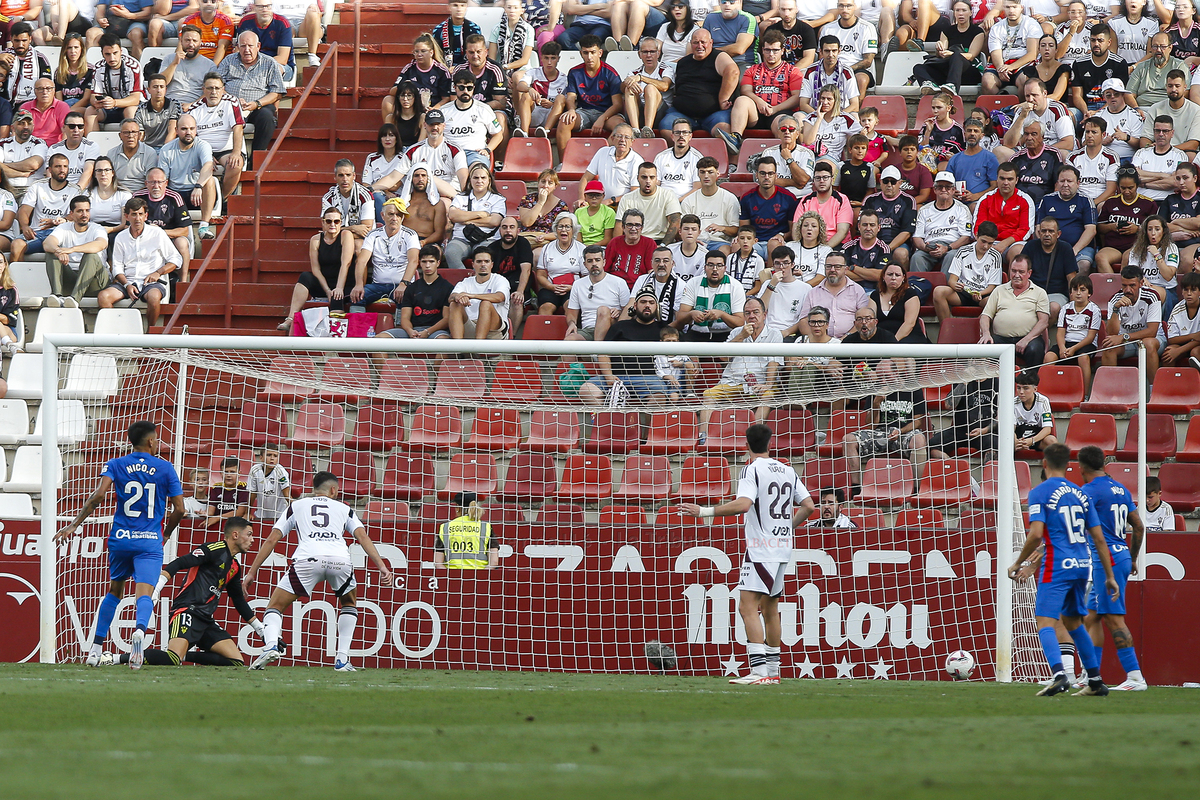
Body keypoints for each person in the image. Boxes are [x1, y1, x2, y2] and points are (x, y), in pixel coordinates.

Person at [681, 422, 816, 685]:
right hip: (781, 547)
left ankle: (759, 672)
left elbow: (744, 504)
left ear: (746, 445)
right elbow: (809, 506)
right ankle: (774, 673)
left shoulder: (750, 469)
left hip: (761, 548)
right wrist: (786, 528)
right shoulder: (788, 470)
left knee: (746, 607)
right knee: (770, 607)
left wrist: (704, 512)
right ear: (770, 443)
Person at [53, 420, 185, 669]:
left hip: (121, 540)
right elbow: (180, 509)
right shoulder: (166, 468)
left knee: (115, 590)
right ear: (151, 441)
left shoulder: (115, 464)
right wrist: (165, 533)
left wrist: (74, 525)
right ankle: (139, 633)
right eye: (156, 439)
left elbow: (99, 495)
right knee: (144, 593)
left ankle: (95, 650)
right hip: (149, 541)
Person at [245, 471, 395, 672]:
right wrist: (382, 566)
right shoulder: (344, 509)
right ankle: (342, 659)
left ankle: (271, 644)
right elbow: (363, 537)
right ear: (333, 490)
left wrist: (252, 572)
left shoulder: (296, 506)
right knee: (349, 604)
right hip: (339, 560)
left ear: (313, 489)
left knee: (275, 606)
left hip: (308, 560)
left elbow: (272, 539)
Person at [1008, 442, 1117, 697]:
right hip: (1082, 565)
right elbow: (1099, 539)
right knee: (1074, 622)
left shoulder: (1040, 492)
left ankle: (1059, 675)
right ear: (1069, 466)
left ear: (1044, 464)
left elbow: (1036, 535)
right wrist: (1109, 576)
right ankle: (1096, 681)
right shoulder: (1082, 494)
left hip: (1057, 565)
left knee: (1045, 621)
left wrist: (1018, 563)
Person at [1074, 445, 1148, 692]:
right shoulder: (1121, 488)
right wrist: (1133, 557)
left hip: (1108, 561)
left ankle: (1135, 676)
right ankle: (1089, 674)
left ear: (1081, 467)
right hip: (1122, 556)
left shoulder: (1088, 492)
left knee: (1114, 619)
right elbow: (1138, 526)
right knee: (1091, 617)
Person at [696, 296, 782, 442]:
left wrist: (768, 384)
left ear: (764, 315)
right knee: (708, 394)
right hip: (731, 382)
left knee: (767, 395)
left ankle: (754, 440)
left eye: (756, 312)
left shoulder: (774, 334)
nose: (752, 316)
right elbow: (723, 357)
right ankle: (703, 438)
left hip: (759, 384)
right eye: (747, 313)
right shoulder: (737, 332)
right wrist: (742, 336)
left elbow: (774, 363)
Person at [718, 28, 803, 155]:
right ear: (762, 50)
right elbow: (746, 90)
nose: (771, 54)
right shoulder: (752, 70)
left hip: (779, 112)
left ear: (782, 51)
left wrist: (775, 109)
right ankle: (735, 138)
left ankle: (783, 155)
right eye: (767, 50)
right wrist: (759, 102)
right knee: (741, 100)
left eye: (775, 50)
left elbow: (797, 98)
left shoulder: (792, 71)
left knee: (784, 123)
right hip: (756, 112)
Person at [278, 206, 355, 332]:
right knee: (305, 276)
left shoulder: (346, 235)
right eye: (329, 221)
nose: (333, 225)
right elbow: (316, 269)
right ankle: (290, 318)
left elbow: (345, 264)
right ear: (323, 222)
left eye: (336, 221)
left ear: (341, 223)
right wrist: (327, 290)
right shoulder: (315, 240)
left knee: (337, 298)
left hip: (343, 282)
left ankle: (334, 344)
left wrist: (338, 288)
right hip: (325, 283)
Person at [550, 35, 625, 156]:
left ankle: (608, 160)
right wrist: (571, 110)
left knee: (620, 126)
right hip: (583, 111)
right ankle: (564, 163)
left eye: (592, 52)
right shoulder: (574, 72)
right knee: (565, 121)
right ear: (581, 53)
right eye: (585, 53)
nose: (589, 57)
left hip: (606, 113)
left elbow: (617, 104)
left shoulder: (610, 73)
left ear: (600, 53)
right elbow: (571, 97)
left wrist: (602, 118)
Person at [658, 27, 739, 137]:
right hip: (681, 114)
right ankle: (679, 154)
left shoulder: (718, 56)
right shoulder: (683, 62)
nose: (699, 46)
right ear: (691, 44)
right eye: (696, 42)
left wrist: (723, 99)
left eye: (703, 42)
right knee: (667, 127)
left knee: (724, 130)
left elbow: (733, 72)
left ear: (711, 42)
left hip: (714, 114)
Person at [844, 380, 929, 484]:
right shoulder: (875, 389)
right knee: (848, 440)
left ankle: (917, 489)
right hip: (880, 433)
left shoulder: (913, 389)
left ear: (896, 374)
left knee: (919, 439)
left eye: (886, 376)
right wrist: (876, 403)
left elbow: (918, 421)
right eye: (881, 376)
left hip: (904, 433)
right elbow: (871, 425)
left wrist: (900, 431)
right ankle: (854, 488)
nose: (883, 380)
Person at [217, 30, 286, 151]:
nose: (247, 50)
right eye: (243, 46)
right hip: (229, 105)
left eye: (250, 46)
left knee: (266, 117)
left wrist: (256, 104)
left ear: (258, 46)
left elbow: (277, 92)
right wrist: (232, 99)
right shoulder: (228, 60)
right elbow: (216, 85)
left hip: (258, 107)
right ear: (237, 47)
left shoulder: (269, 63)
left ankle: (256, 156)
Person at [979, 255, 1050, 369]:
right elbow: (985, 315)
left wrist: (1026, 339)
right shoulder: (999, 290)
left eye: (1021, 272)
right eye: (1013, 271)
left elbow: (1044, 321)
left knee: (1035, 349)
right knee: (986, 345)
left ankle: (1030, 384)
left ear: (1029, 273)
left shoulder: (1039, 292)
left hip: (1029, 338)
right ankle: (992, 385)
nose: (1017, 275)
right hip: (1001, 338)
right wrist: (986, 333)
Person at [350, 197, 419, 308]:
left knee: (407, 297)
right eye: (391, 214)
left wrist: (404, 283)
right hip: (378, 285)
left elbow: (414, 261)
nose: (395, 218)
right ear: (382, 215)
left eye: (399, 215)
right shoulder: (373, 234)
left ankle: (401, 324)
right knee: (357, 297)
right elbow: (361, 261)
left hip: (401, 284)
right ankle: (359, 325)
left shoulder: (410, 234)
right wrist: (358, 285)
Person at [156, 114, 217, 238]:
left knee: (209, 180)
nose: (188, 132)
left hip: (196, 193)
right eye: (184, 129)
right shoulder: (166, 149)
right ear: (176, 131)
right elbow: (163, 178)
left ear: (196, 130)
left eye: (192, 128)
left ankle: (204, 226)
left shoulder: (202, 145)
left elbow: (208, 166)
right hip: (175, 193)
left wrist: (198, 186)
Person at [376, 244, 453, 341]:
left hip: (436, 331)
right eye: (424, 262)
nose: (427, 265)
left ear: (438, 263)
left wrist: (427, 332)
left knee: (444, 342)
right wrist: (410, 331)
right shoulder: (411, 288)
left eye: (431, 261)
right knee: (379, 339)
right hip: (412, 330)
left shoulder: (447, 287)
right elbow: (405, 318)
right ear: (420, 263)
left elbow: (446, 319)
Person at [43, 193, 108, 307]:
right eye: (80, 211)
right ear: (71, 214)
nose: (84, 214)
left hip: (94, 281)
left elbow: (100, 244)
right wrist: (58, 251)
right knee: (51, 254)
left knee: (91, 255)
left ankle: (74, 299)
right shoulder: (63, 228)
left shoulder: (97, 228)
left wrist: (72, 250)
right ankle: (57, 296)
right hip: (72, 278)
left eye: (87, 211)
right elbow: (47, 243)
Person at [187, 72, 245, 200]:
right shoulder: (194, 109)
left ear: (222, 89)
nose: (214, 92)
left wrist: (236, 152)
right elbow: (191, 136)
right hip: (202, 149)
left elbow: (238, 127)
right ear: (203, 90)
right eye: (210, 88)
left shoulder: (231, 102)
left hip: (226, 150)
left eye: (217, 88)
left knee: (235, 164)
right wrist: (206, 154)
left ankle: (222, 198)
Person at [911, 0, 985, 94]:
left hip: (968, 71)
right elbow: (942, 54)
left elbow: (971, 56)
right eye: (957, 10)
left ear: (970, 12)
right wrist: (939, 50)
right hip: (949, 69)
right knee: (918, 67)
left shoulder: (977, 31)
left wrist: (952, 54)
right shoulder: (947, 31)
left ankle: (952, 85)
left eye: (964, 10)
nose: (960, 13)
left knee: (957, 56)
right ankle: (929, 84)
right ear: (953, 13)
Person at [12, 152, 75, 261]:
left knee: (55, 245)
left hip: (60, 234)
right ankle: (19, 278)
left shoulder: (75, 190)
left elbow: (75, 215)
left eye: (65, 166)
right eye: (58, 166)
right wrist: (25, 226)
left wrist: (58, 221)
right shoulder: (37, 186)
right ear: (49, 170)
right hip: (37, 233)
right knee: (16, 244)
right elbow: (24, 210)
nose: (62, 170)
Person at [933, 222, 1003, 321]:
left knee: (996, 301)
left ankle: (977, 329)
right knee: (938, 291)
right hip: (963, 292)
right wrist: (955, 285)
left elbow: (992, 286)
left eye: (990, 243)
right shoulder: (963, 251)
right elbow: (952, 280)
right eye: (983, 241)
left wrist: (980, 293)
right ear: (976, 236)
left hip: (983, 294)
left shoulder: (995, 256)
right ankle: (947, 329)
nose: (986, 246)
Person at [133, 167, 193, 280]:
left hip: (169, 238)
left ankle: (183, 283)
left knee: (182, 242)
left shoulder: (175, 197)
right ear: (146, 183)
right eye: (152, 182)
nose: (156, 186)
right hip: (143, 237)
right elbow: (128, 224)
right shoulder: (137, 197)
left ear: (166, 183)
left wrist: (159, 232)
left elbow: (185, 230)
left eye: (160, 182)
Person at [1044, 273, 1101, 391]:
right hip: (1067, 343)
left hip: (1085, 344)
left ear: (1089, 293)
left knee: (1083, 357)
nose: (1078, 293)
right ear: (1070, 293)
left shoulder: (1094, 310)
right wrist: (1062, 348)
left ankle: (1084, 394)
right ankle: (1047, 391)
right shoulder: (1065, 308)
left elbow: (1090, 337)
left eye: (1082, 290)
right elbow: (1060, 332)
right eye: (1075, 289)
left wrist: (1074, 349)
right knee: (1049, 357)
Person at [1096, 167, 1157, 273]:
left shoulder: (1148, 204)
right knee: (1100, 257)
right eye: (1123, 188)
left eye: (1131, 187)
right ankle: (1114, 288)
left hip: (1136, 246)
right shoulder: (1111, 202)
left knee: (1127, 257)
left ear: (1137, 185)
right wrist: (1112, 226)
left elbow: (1156, 229)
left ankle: (1124, 287)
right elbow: (1100, 228)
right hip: (1113, 246)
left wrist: (1137, 229)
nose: (1127, 191)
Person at [973, 161, 1035, 264]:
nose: (1006, 183)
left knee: (1018, 253)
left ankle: (1013, 280)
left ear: (1016, 180)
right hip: (989, 241)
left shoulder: (1025, 200)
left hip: (1013, 243)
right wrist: (987, 243)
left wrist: (1005, 243)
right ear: (997, 179)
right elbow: (978, 226)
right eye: (1002, 178)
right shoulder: (986, 199)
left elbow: (1026, 229)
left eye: (1010, 179)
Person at [910, 170, 973, 272]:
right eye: (940, 187)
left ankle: (946, 288)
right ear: (934, 190)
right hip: (929, 245)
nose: (944, 190)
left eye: (947, 187)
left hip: (952, 246)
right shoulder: (924, 210)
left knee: (952, 256)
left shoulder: (962, 209)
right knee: (917, 257)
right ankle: (916, 287)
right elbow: (917, 237)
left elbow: (966, 238)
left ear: (953, 190)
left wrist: (947, 248)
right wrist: (925, 248)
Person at [565, 242, 630, 340]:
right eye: (590, 261)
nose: (594, 264)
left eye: (597, 260)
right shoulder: (578, 284)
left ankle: (598, 353)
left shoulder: (619, 282)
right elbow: (572, 313)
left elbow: (629, 311)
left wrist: (619, 312)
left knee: (603, 310)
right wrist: (572, 324)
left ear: (603, 262)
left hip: (611, 329)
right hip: (588, 329)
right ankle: (596, 351)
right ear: (585, 264)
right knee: (569, 341)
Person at [677, 250, 746, 341]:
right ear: (705, 267)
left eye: (719, 265)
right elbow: (680, 316)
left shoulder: (736, 286)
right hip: (697, 332)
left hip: (726, 333)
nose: (714, 269)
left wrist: (722, 314)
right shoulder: (693, 283)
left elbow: (740, 322)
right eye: (710, 265)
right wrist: (691, 314)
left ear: (725, 268)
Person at [82, 34, 143, 134]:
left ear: (121, 51)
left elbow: (135, 99)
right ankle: (93, 147)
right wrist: (96, 102)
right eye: (107, 54)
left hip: (129, 106)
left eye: (115, 53)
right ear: (102, 54)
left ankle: (134, 147)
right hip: (108, 107)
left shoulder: (133, 66)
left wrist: (114, 103)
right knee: (90, 111)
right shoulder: (98, 67)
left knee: (130, 112)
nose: (112, 58)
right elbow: (94, 96)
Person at [442, 69, 502, 169]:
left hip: (475, 154)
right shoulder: (444, 111)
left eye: (469, 88)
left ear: (474, 88)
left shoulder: (484, 109)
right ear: (455, 88)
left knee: (477, 171)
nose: (465, 91)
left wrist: (487, 149)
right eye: (461, 87)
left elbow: (498, 135)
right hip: (449, 154)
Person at [739, 157, 799, 258]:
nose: (766, 177)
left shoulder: (788, 198)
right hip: (755, 243)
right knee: (737, 245)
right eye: (763, 173)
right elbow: (744, 228)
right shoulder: (747, 198)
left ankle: (772, 273)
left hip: (777, 242)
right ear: (757, 175)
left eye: (770, 173)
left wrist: (782, 235)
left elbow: (794, 231)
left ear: (776, 176)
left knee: (774, 244)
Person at [384, 34, 452, 123]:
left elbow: (446, 99)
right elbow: (392, 92)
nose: (419, 54)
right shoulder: (409, 69)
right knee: (387, 100)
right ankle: (391, 132)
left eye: (423, 51)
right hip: (411, 107)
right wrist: (404, 85)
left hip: (433, 107)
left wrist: (434, 109)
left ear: (431, 52)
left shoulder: (441, 71)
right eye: (416, 51)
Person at [448, 247, 511, 340]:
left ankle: (478, 346)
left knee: (485, 304)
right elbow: (451, 297)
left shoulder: (500, 279)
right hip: (471, 325)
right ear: (473, 264)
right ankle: (457, 348)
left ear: (492, 264)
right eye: (479, 261)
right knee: (454, 304)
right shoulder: (466, 282)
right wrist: (458, 297)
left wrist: (471, 295)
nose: (483, 264)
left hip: (495, 331)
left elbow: (500, 297)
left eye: (486, 261)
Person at [1027, 216, 1082, 322]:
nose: (1047, 234)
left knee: (1053, 308)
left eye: (1051, 231)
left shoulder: (1065, 248)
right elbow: (1022, 272)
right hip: (1032, 292)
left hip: (1056, 293)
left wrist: (1073, 303)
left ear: (1058, 234)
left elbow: (1072, 278)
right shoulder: (1030, 246)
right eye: (1044, 231)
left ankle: (1039, 336)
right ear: (1039, 232)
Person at [982, 0, 1041, 95]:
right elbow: (995, 52)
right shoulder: (997, 28)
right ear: (1003, 9)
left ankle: (1021, 109)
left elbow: (1032, 54)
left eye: (1014, 7)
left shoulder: (1031, 24)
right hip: (1002, 64)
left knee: (1025, 81)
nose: (1011, 11)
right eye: (1008, 7)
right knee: (987, 81)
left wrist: (1011, 67)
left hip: (1024, 63)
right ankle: (998, 108)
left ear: (1021, 8)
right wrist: (1001, 69)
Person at [620, 35, 673, 140]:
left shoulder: (665, 69)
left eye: (652, 52)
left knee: (650, 88)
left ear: (658, 53)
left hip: (660, 112)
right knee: (629, 88)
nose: (649, 55)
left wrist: (641, 78)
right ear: (639, 54)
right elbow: (621, 89)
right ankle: (635, 130)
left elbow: (665, 86)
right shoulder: (634, 72)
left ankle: (648, 129)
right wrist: (627, 82)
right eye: (645, 52)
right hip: (639, 112)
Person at [861, 167, 916, 267]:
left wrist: (887, 249)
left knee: (901, 254)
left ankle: (901, 281)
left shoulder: (908, 200)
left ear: (900, 183)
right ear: (880, 182)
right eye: (886, 181)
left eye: (893, 182)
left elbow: (907, 232)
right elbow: (862, 227)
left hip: (897, 243)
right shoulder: (870, 200)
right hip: (873, 241)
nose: (889, 185)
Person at [682, 155, 739, 250]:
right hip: (696, 242)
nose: (706, 176)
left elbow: (736, 229)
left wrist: (722, 228)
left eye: (710, 172)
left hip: (720, 242)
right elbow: (682, 228)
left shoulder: (729, 198)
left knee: (724, 251)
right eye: (702, 172)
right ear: (698, 174)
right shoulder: (689, 200)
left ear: (718, 174)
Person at [615, 161, 680, 243]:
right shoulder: (626, 198)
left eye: (652, 177)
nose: (648, 181)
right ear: (637, 178)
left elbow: (675, 222)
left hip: (659, 240)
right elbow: (619, 225)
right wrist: (619, 246)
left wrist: (663, 246)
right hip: (635, 241)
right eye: (644, 177)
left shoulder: (668, 195)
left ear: (656, 179)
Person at [488, 215, 534, 331]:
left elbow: (526, 269)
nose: (508, 230)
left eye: (511, 227)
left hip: (516, 287)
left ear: (517, 230)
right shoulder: (492, 247)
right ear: (500, 230)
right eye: (504, 227)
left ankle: (511, 337)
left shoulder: (523, 244)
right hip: (497, 289)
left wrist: (520, 291)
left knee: (517, 300)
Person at [1125, 213, 1178, 312]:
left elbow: (1168, 275)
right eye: (1150, 229)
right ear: (1145, 232)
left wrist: (1157, 255)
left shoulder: (1171, 248)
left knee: (1150, 294)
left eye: (1157, 229)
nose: (1153, 233)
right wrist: (1142, 278)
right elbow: (1132, 272)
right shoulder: (1137, 249)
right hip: (1141, 288)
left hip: (1165, 290)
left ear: (1163, 231)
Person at [536, 211, 587, 313]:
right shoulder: (547, 248)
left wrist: (571, 287)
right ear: (556, 229)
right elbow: (540, 275)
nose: (564, 230)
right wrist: (551, 287)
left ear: (573, 230)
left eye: (568, 227)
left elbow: (586, 277)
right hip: (550, 288)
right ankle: (545, 329)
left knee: (570, 306)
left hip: (573, 289)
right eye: (560, 226)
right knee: (546, 307)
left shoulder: (581, 249)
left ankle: (571, 328)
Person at [576, 123, 640, 204]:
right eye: (619, 136)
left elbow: (634, 193)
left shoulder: (637, 161)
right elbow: (585, 178)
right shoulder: (603, 152)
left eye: (627, 137)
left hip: (623, 205)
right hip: (599, 204)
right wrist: (581, 198)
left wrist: (611, 201)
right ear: (612, 139)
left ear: (632, 142)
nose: (622, 140)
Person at [434, 491, 500, 569]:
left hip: (452, 577)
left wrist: (449, 576)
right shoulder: (485, 527)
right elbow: (494, 562)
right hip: (478, 576)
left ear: (458, 507)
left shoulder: (445, 527)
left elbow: (438, 562)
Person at [514, 41, 566, 137]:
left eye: (553, 58)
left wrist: (552, 104)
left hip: (552, 115)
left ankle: (545, 131)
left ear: (558, 59)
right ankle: (524, 132)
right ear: (541, 58)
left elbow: (566, 101)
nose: (549, 62)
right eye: (546, 58)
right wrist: (530, 89)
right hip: (535, 112)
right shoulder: (533, 72)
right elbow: (520, 86)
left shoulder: (564, 78)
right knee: (526, 95)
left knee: (561, 98)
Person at [1142, 69, 1200, 154]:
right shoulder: (1155, 108)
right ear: (1166, 87)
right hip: (1157, 152)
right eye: (1170, 86)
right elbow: (1144, 139)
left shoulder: (1195, 110)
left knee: (1191, 155)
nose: (1173, 89)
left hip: (1183, 152)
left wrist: (1167, 149)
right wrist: (1149, 146)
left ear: (1184, 87)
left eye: (1177, 86)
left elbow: (1193, 144)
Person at [236, 1, 297, 79]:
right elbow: (239, 50)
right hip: (249, 63)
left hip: (278, 65)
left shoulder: (282, 23)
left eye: (268, 6)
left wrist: (258, 66)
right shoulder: (246, 22)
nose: (265, 10)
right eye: (261, 7)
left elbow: (282, 58)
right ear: (254, 7)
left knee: (274, 70)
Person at [799, 35, 859, 114]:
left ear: (839, 51)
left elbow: (855, 105)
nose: (831, 55)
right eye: (827, 51)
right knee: (798, 116)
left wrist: (836, 116)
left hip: (841, 114)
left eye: (834, 51)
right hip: (815, 113)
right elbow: (803, 104)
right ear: (820, 51)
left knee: (855, 116)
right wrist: (819, 116)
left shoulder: (847, 71)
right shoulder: (811, 71)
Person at [320, 157, 375, 241]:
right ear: (335, 177)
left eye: (348, 175)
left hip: (362, 239)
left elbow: (367, 231)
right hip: (336, 240)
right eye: (341, 175)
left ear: (354, 176)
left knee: (358, 245)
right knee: (315, 241)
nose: (345, 179)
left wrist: (339, 232)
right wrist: (353, 228)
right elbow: (326, 228)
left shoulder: (365, 195)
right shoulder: (328, 198)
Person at [161, 24, 216, 106]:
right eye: (187, 40)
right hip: (169, 104)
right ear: (181, 41)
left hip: (196, 106)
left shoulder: (210, 65)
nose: (191, 44)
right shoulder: (169, 59)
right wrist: (174, 63)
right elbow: (161, 83)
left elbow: (211, 92)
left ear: (200, 42)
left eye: (195, 41)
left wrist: (192, 104)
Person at [947, 118, 998, 205]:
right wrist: (952, 193)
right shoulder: (955, 159)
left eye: (976, 131)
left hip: (981, 202)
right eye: (969, 131)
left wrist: (976, 196)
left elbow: (995, 186)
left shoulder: (990, 158)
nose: (972, 134)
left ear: (982, 135)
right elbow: (947, 184)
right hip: (957, 203)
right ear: (964, 134)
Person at [871, 262, 926, 344]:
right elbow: (870, 320)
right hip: (882, 337)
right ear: (883, 276)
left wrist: (893, 342)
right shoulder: (875, 295)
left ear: (903, 278)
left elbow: (909, 323)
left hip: (907, 337)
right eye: (890, 274)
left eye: (897, 275)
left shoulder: (910, 294)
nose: (893, 278)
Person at [0, 107, 47, 201]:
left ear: (33, 127)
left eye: (29, 124)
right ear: (12, 127)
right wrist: (21, 173)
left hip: (30, 190)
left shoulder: (39, 143)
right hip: (7, 189)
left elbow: (33, 164)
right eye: (21, 124)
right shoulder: (3, 143)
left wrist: (4, 165)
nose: (26, 127)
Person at [1068, 117, 1118, 205]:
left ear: (1103, 135)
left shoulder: (1111, 157)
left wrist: (1091, 204)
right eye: (1087, 132)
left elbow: (1111, 190)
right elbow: (1068, 185)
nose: (1089, 135)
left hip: (1101, 202)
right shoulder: (1073, 157)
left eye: (1094, 132)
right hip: (1077, 201)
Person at [1161, 161, 1200, 274]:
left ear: (1195, 178)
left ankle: (1184, 291)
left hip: (1195, 242)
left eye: (1185, 178)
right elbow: (1161, 225)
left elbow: (1198, 223)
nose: (1181, 182)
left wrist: (1176, 221)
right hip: (1170, 241)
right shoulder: (1170, 199)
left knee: (1186, 259)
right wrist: (1184, 229)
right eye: (1178, 178)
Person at [2, 23, 51, 111]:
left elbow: (47, 84)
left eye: (24, 40)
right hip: (3, 103)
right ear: (11, 38)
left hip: (30, 104)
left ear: (30, 39)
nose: (20, 45)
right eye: (17, 40)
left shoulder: (40, 59)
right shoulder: (3, 56)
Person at [1129, 31, 1184, 108]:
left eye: (1162, 47)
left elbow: (1185, 92)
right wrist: (1137, 109)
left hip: (1168, 108)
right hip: (1143, 108)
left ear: (1170, 48)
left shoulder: (1179, 66)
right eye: (1155, 46)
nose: (1158, 50)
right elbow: (1129, 94)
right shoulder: (1141, 67)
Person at [606, 207, 657, 287]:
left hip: (639, 287)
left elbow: (651, 272)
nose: (633, 229)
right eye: (629, 225)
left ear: (642, 228)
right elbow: (605, 269)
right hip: (614, 287)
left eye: (637, 225)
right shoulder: (614, 242)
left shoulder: (649, 244)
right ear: (623, 227)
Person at [47, 110, 99, 189]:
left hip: (82, 191)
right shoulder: (54, 149)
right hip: (58, 190)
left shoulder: (91, 146)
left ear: (84, 129)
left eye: (80, 126)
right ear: (64, 128)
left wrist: (76, 191)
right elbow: (50, 174)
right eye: (72, 126)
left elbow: (88, 172)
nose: (76, 130)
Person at [841, 207, 890, 287]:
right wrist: (869, 275)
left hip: (872, 291)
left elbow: (880, 275)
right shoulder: (848, 247)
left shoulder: (884, 249)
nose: (868, 228)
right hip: (849, 289)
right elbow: (841, 272)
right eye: (865, 225)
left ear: (878, 228)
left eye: (872, 225)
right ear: (859, 227)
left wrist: (854, 268)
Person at [652, 118, 701, 198]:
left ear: (690, 136)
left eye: (685, 132)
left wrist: (678, 201)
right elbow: (655, 184)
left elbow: (697, 188)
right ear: (672, 136)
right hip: (663, 200)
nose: (681, 135)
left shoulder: (697, 158)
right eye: (677, 132)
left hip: (686, 202)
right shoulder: (661, 157)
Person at [1161, 270, 1200, 368]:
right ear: (1182, 291)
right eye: (1186, 290)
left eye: (1193, 290)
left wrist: (1179, 351)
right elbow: (1172, 339)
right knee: (1168, 353)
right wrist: (1193, 336)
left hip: (1196, 346)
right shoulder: (1177, 309)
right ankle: (1168, 382)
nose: (1189, 293)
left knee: (1195, 352)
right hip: (1184, 344)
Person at [702, 0, 756, 70]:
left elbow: (739, 49)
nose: (727, 4)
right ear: (719, 3)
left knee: (738, 77)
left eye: (732, 2)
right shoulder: (710, 17)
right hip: (713, 61)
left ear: (739, 2)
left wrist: (710, 52)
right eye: (724, 1)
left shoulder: (747, 19)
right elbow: (702, 42)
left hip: (741, 61)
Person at [761, 0, 816, 68]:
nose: (786, 14)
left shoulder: (806, 29)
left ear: (796, 9)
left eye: (790, 9)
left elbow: (809, 58)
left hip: (799, 71)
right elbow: (767, 56)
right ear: (779, 10)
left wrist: (791, 73)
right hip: (775, 71)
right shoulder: (771, 30)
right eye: (783, 9)